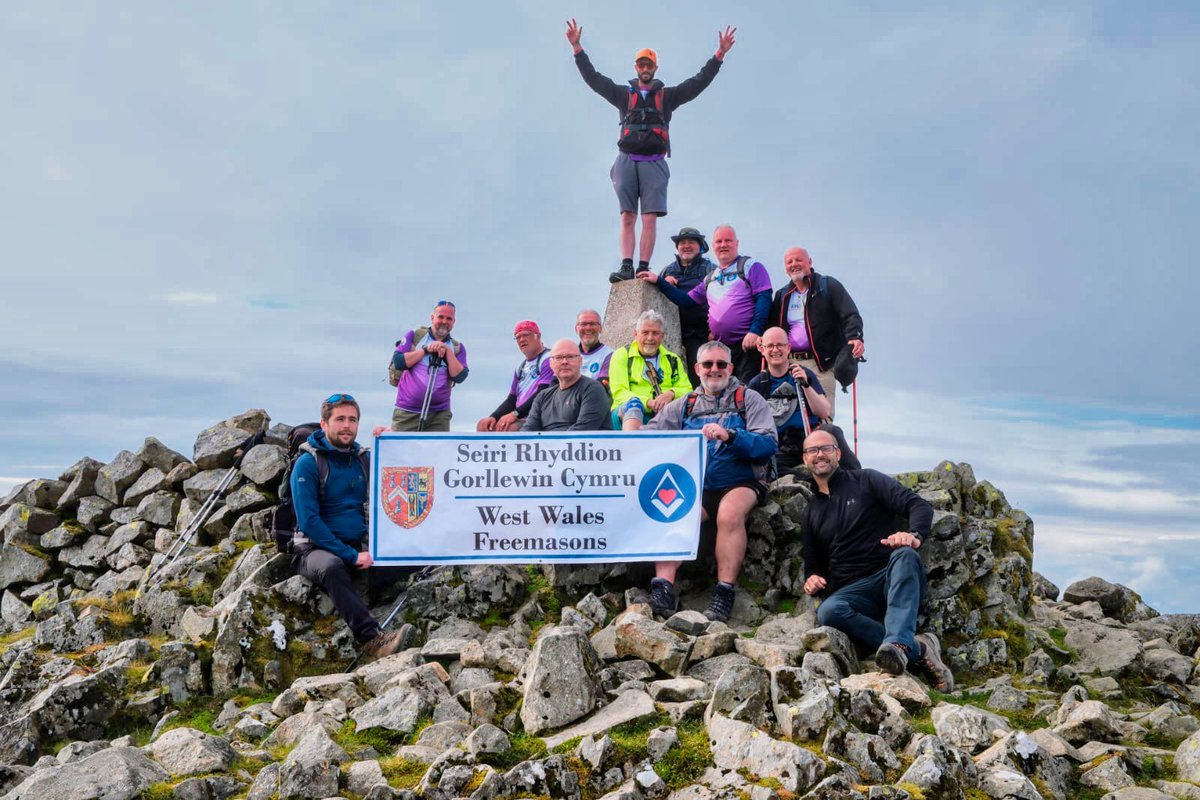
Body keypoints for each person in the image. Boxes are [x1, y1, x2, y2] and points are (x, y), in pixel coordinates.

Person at [565, 19, 736, 282]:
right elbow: (594, 79)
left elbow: (698, 83)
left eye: (649, 64)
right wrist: (577, 48)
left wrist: (719, 55)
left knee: (650, 218)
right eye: (641, 64)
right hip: (626, 160)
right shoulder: (623, 94)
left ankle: (643, 265)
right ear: (636, 67)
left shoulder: (667, 96)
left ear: (655, 68)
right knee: (627, 216)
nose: (645, 68)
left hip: (654, 162)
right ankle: (626, 266)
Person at [799, 429, 954, 692]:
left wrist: (914, 535)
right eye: (812, 450)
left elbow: (919, 505)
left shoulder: (866, 480)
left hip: (891, 576)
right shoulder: (811, 511)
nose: (819, 455)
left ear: (838, 453)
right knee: (828, 611)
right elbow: (813, 565)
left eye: (825, 448)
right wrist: (812, 578)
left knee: (905, 555)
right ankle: (918, 648)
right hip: (854, 592)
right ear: (805, 459)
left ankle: (898, 646)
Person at [643, 342, 778, 622]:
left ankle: (724, 591)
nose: (714, 370)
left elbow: (767, 443)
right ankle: (663, 586)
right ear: (697, 369)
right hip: (696, 486)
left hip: (741, 481)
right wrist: (629, 424)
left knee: (729, 514)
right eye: (707, 364)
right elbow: (649, 437)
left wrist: (731, 436)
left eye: (720, 364)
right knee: (673, 514)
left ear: (730, 368)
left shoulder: (749, 399)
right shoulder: (684, 405)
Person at [291, 394, 415, 661]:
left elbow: (403, 479)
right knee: (333, 568)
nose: (347, 425)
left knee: (412, 558)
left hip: (357, 544)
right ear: (324, 424)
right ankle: (373, 640)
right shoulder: (308, 463)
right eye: (340, 419)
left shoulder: (362, 459)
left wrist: (394, 444)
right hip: (313, 549)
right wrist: (350, 556)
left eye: (352, 419)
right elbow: (310, 522)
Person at [639, 225, 771, 383]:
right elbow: (687, 301)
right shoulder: (711, 277)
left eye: (727, 241)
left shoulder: (751, 266)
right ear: (713, 246)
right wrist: (659, 281)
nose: (723, 245)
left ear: (736, 243)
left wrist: (755, 331)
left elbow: (764, 298)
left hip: (747, 345)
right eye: (719, 241)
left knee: (747, 394)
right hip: (723, 349)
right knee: (724, 395)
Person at [748, 327, 861, 473]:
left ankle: (857, 477)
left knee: (831, 431)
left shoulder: (804, 374)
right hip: (779, 445)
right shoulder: (757, 384)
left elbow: (824, 412)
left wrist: (805, 385)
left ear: (788, 348)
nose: (775, 350)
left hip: (809, 439)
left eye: (780, 345)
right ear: (762, 349)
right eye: (770, 346)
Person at [768, 247, 864, 417]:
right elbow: (773, 327)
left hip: (821, 363)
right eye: (789, 262)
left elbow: (850, 314)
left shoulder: (827, 285)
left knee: (823, 417)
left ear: (809, 262)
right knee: (789, 415)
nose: (794, 264)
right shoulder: (782, 295)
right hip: (789, 363)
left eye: (798, 260)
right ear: (785, 268)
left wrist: (855, 337)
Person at [389, 300, 468, 431]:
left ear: (454, 322)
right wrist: (426, 350)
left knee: (438, 452)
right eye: (440, 317)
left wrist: (447, 352)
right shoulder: (416, 335)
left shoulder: (457, 347)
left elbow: (460, 376)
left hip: (439, 415)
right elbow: (398, 361)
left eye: (449, 319)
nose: (444, 322)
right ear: (432, 318)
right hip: (406, 412)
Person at [608, 310, 693, 431]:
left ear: (662, 336)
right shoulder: (622, 355)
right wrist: (648, 402)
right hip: (627, 413)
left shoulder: (672, 359)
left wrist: (671, 394)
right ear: (636, 334)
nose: (650, 338)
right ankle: (633, 444)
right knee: (634, 406)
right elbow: (619, 392)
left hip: (664, 412)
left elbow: (687, 390)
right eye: (645, 332)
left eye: (655, 333)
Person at [657, 226, 716, 386]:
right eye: (682, 242)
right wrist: (663, 284)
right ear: (677, 247)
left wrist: (714, 329)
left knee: (698, 376)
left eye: (691, 242)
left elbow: (719, 300)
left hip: (701, 333)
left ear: (700, 246)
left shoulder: (710, 269)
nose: (687, 245)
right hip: (673, 333)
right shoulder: (667, 271)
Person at [476, 321, 555, 432]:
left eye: (526, 335)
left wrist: (515, 414)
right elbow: (512, 399)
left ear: (538, 336)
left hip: (539, 416)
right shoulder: (520, 367)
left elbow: (543, 394)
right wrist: (493, 416)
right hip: (522, 416)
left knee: (508, 428)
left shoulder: (548, 358)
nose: (522, 340)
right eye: (518, 337)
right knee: (484, 425)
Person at [524, 340, 613, 432]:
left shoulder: (593, 389)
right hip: (548, 445)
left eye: (570, 357)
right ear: (551, 363)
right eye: (558, 358)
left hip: (584, 445)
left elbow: (582, 431)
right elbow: (528, 432)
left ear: (580, 361)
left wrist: (549, 445)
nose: (564, 362)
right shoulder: (542, 397)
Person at [576, 309, 614, 391]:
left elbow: (600, 386)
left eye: (592, 324)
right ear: (576, 329)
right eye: (583, 324)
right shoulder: (568, 354)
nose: (588, 328)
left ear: (600, 328)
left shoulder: (609, 355)